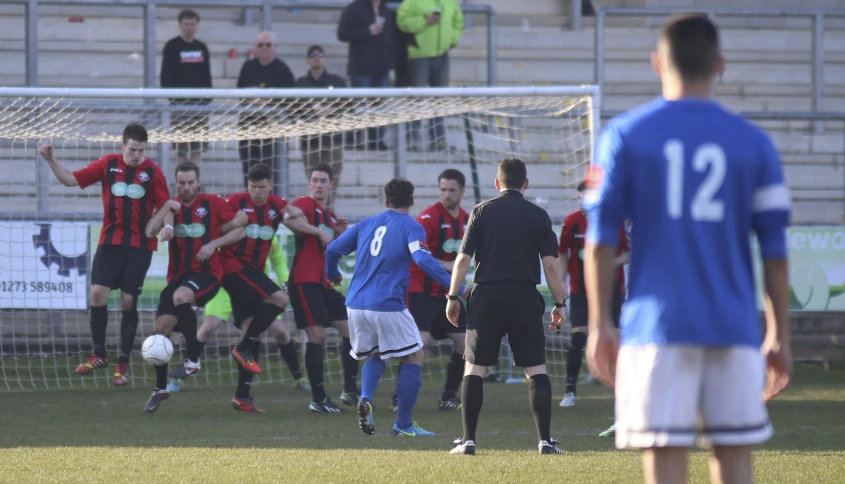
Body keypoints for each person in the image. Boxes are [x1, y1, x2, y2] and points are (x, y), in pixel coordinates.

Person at [584, 14, 792, 484]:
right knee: (734, 455)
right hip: (733, 325)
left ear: (658, 63)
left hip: (655, 329)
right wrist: (778, 333)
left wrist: (600, 324)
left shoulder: (624, 135)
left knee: (664, 456)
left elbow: (600, 241)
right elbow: (775, 252)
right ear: (720, 65)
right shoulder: (755, 143)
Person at [325, 178, 468, 437]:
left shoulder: (366, 224)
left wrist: (332, 274)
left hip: (356, 304)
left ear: (386, 201)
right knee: (414, 355)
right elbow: (423, 260)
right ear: (412, 201)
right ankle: (403, 425)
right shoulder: (411, 227)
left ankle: (366, 397)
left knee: (377, 354)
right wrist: (455, 287)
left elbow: (332, 250)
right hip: (387, 303)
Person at [447, 157, 566, 456]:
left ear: (497, 183)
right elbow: (550, 265)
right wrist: (560, 303)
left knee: (474, 368)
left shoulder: (480, 211)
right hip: (524, 296)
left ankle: (468, 440)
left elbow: (462, 260)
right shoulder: (539, 215)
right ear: (526, 184)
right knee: (535, 368)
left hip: (486, 295)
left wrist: (452, 298)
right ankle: (545, 441)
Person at [39, 124, 170, 387]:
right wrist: (50, 159)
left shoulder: (153, 172)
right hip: (110, 241)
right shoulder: (107, 164)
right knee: (97, 293)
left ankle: (123, 362)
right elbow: (70, 180)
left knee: (128, 302)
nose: (136, 155)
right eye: (132, 149)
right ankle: (99, 353)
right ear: (122, 145)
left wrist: (167, 226)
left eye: (141, 150)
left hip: (140, 246)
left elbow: (166, 205)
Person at [141, 162, 246, 413]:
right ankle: (160, 388)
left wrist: (213, 245)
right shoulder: (171, 207)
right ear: (176, 183)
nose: (186, 187)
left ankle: (192, 358)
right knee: (159, 330)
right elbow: (148, 232)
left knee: (181, 296)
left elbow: (240, 229)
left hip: (207, 273)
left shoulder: (213, 203)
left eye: (191, 182)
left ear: (198, 182)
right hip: (177, 277)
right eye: (181, 183)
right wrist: (165, 210)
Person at [219, 163, 315, 412]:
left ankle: (243, 396)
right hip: (234, 268)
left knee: (254, 331)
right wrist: (233, 224)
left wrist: (303, 219)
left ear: (270, 186)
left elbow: (296, 224)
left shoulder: (277, 205)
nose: (257, 192)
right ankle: (242, 348)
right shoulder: (235, 202)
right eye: (253, 187)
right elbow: (217, 230)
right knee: (281, 299)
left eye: (262, 187)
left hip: (251, 273)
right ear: (247, 185)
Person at [165, 234, 310, 394]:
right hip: (224, 289)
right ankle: (180, 376)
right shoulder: (227, 234)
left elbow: (278, 261)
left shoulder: (267, 234)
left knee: (280, 332)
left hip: (253, 288)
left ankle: (298, 377)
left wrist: (285, 283)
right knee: (207, 329)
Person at [388, 169, 469, 413]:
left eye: (452, 190)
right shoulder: (429, 217)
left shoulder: (467, 218)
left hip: (447, 295)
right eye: (443, 189)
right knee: (418, 346)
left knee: (466, 345)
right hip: (420, 291)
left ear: (462, 191)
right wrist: (445, 265)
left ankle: (448, 397)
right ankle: (398, 398)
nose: (447, 195)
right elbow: (417, 254)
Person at [288, 164, 359, 414]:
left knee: (352, 331)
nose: (318, 185)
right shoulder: (305, 204)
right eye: (315, 180)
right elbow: (290, 219)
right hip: (304, 281)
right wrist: (318, 230)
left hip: (325, 284)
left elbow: (345, 247)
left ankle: (350, 389)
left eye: (323, 181)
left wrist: (342, 231)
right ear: (309, 184)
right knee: (317, 337)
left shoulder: (329, 216)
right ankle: (318, 398)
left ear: (331, 185)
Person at [558, 181, 628, 408]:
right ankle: (570, 391)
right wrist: (559, 284)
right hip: (580, 290)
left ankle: (623, 392)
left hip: (612, 290)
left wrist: (607, 264)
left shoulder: (613, 221)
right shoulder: (571, 222)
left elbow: (626, 254)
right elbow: (562, 254)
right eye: (581, 197)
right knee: (579, 336)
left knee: (615, 339)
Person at [397, 0, 464, 151]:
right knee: (417, 98)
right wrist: (424, 21)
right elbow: (402, 22)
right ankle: (413, 138)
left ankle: (438, 140)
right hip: (419, 55)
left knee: (439, 99)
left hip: (442, 55)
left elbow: (458, 23)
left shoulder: (450, 2)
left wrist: (451, 41)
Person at [236, 31, 296, 186]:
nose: (264, 48)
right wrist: (252, 100)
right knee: (249, 170)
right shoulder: (248, 67)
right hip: (248, 128)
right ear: (255, 47)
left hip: (272, 131)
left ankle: (271, 207)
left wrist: (267, 103)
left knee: (270, 172)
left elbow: (290, 99)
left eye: (268, 45)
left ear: (275, 47)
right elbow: (240, 93)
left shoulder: (283, 69)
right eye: (260, 45)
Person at [295, 45, 347, 210]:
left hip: (333, 139)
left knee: (331, 182)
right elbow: (293, 108)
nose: (316, 58)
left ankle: (328, 212)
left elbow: (349, 104)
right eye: (313, 55)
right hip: (310, 140)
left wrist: (331, 110)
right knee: (315, 182)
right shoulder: (301, 83)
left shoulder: (337, 82)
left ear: (324, 59)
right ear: (308, 60)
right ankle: (315, 212)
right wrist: (312, 110)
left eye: (320, 55)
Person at [337, 0, 394, 151]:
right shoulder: (353, 8)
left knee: (379, 106)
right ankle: (355, 140)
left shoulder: (384, 8)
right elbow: (342, 34)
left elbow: (390, 37)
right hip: (361, 67)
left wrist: (390, 62)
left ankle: (377, 140)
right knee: (359, 106)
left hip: (382, 68)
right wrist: (367, 31)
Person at [160, 9, 212, 166]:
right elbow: (166, 75)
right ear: (180, 25)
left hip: (200, 106)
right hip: (180, 106)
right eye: (186, 24)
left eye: (192, 24)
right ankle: (181, 181)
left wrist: (207, 98)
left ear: (197, 26)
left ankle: (195, 182)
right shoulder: (172, 46)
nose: (189, 27)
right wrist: (174, 99)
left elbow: (206, 74)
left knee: (197, 149)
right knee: (181, 149)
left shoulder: (202, 47)